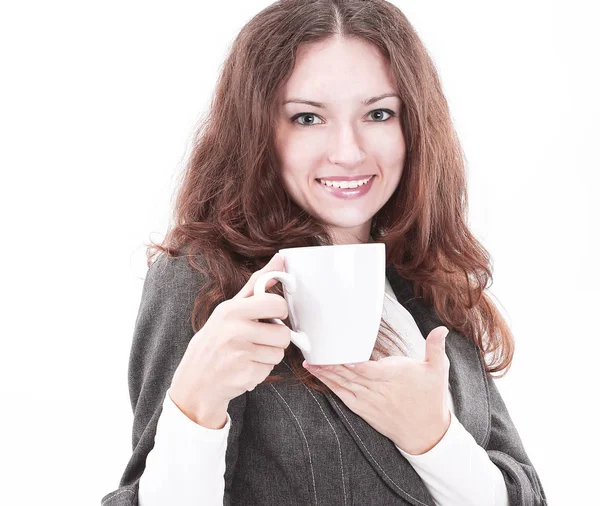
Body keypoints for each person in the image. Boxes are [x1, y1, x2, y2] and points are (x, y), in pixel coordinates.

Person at [101, 1, 548, 505]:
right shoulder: (204, 280)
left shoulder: (428, 279)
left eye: (378, 113)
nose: (349, 151)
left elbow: (524, 496)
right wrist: (195, 405)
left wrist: (434, 440)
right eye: (308, 117)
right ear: (259, 130)